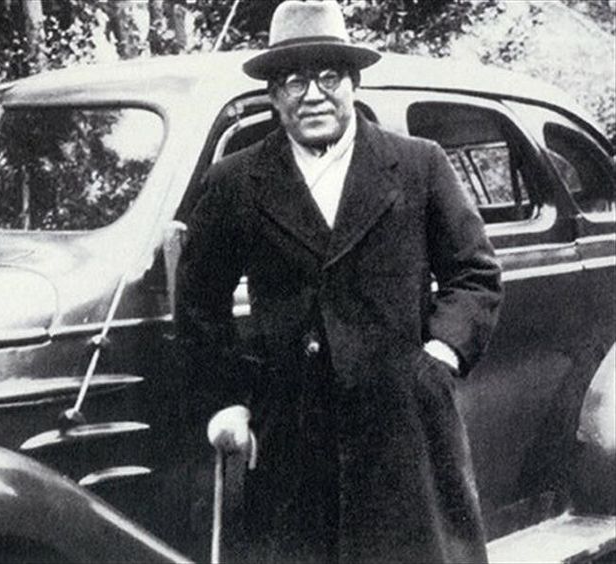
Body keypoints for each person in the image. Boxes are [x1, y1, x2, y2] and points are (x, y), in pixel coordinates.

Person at [176, 1, 503, 562]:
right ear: (273, 94)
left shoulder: (419, 165)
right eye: (293, 81)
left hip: (402, 427)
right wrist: (226, 401)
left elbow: (475, 273)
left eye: (329, 76)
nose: (313, 95)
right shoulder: (236, 181)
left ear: (353, 83)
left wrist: (438, 357)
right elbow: (199, 300)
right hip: (291, 434)